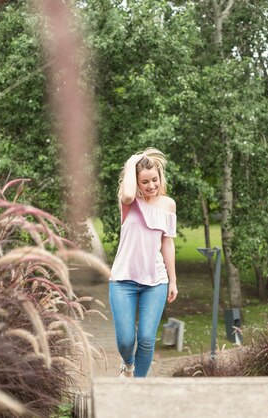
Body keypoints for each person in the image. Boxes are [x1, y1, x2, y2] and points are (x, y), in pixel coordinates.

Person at [109, 147, 178, 378]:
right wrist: (132, 162)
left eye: (154, 180)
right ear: (136, 182)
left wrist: (173, 280)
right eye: (145, 181)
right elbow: (127, 194)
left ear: (160, 177)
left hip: (155, 281)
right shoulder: (129, 202)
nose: (151, 185)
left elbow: (167, 243)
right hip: (123, 280)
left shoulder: (169, 205)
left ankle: (137, 388)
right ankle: (127, 366)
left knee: (147, 339)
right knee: (126, 341)